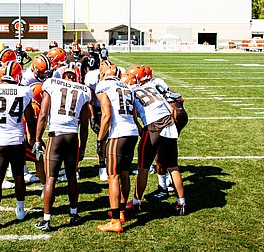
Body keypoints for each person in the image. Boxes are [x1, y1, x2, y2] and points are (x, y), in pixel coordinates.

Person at [34, 63, 92, 232]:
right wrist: (83, 146)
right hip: (73, 136)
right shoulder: (83, 90)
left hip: (56, 135)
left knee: (51, 178)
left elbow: (43, 115)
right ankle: (74, 214)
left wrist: (38, 139)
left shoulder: (52, 84)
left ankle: (47, 219)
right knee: (72, 177)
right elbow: (85, 124)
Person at [0, 60, 36, 230]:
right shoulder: (24, 91)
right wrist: (34, 140)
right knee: (19, 176)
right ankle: (20, 210)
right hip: (17, 140)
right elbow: (30, 119)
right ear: (18, 75)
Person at [127, 65, 188, 216]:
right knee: (173, 166)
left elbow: (134, 116)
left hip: (153, 127)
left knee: (143, 168)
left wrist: (141, 130)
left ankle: (136, 202)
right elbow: (174, 100)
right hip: (169, 123)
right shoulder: (154, 85)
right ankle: (182, 202)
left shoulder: (133, 91)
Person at [95, 65, 140, 233]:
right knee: (124, 173)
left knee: (112, 176)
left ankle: (115, 221)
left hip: (118, 133)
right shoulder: (127, 87)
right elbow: (134, 116)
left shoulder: (103, 86)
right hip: (132, 132)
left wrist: (100, 139)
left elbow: (107, 115)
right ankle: (120, 211)